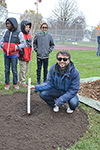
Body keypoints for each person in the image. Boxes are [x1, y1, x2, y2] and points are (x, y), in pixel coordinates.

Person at [0, 17, 25, 90]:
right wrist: (2, 46)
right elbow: (1, 41)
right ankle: (7, 83)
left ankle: (15, 83)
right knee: (6, 69)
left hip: (14, 55)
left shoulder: (19, 33)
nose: (7, 25)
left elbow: (23, 43)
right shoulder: (5, 32)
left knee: (14, 70)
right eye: (6, 23)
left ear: (13, 23)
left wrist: (16, 47)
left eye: (9, 23)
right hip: (6, 55)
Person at [18, 20, 32, 87]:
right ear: (23, 27)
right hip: (23, 55)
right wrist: (20, 51)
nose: (28, 28)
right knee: (22, 69)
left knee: (25, 69)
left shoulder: (29, 35)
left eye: (29, 27)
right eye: (26, 27)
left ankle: (20, 80)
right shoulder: (21, 34)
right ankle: (22, 81)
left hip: (28, 55)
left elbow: (30, 44)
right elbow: (19, 44)